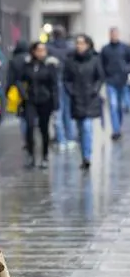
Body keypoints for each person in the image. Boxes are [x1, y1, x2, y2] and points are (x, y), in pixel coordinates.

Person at [64, 34, 104, 170]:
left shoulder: (95, 59)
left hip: (90, 98)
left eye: (81, 43)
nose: (78, 45)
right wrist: (71, 91)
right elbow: (66, 78)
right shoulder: (70, 60)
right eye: (77, 43)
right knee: (80, 129)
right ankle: (83, 155)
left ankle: (87, 156)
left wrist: (95, 90)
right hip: (76, 98)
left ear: (88, 45)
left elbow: (100, 77)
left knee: (87, 127)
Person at [17, 42, 59, 169]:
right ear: (33, 51)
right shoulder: (27, 65)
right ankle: (31, 155)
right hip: (30, 100)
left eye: (43, 50)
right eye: (39, 50)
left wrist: (55, 103)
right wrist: (23, 93)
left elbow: (54, 85)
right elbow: (19, 79)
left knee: (44, 129)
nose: (41, 52)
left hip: (45, 101)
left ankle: (45, 156)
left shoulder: (50, 65)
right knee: (29, 127)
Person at [48, 26, 75, 151]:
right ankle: (68, 138)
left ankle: (62, 139)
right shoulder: (70, 48)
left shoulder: (49, 48)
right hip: (66, 81)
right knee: (67, 112)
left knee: (59, 112)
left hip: (57, 82)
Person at [101, 27, 130, 140]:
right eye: (112, 34)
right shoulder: (105, 49)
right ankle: (116, 130)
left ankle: (119, 125)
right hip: (110, 81)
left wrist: (126, 69)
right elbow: (101, 64)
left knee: (121, 106)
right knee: (113, 105)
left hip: (123, 81)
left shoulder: (125, 48)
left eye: (116, 34)